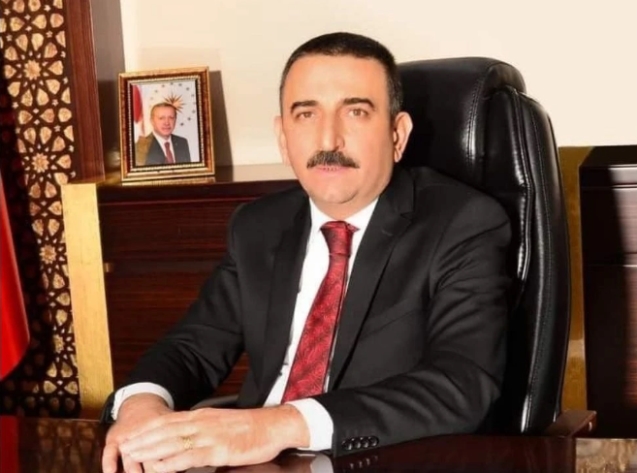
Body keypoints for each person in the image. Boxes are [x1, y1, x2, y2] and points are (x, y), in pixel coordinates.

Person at [102, 32, 511, 473]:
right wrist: (141, 404)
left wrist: (276, 427)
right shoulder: (259, 226)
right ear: (283, 137)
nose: (328, 139)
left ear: (397, 135)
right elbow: (192, 348)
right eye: (306, 114)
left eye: (356, 112)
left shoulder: (462, 223)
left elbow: (462, 383)